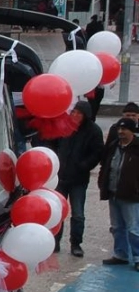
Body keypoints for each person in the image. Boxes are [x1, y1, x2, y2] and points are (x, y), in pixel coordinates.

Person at [42, 101, 104, 257]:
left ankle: (76, 243)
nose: (75, 115)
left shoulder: (94, 131)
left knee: (78, 213)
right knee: (57, 211)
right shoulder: (64, 127)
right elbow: (51, 142)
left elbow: (97, 153)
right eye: (73, 112)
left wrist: (83, 166)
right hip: (60, 176)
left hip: (79, 179)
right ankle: (55, 241)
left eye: (79, 113)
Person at [99, 118, 139, 268]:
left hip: (131, 196)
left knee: (133, 228)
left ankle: (137, 257)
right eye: (119, 129)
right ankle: (120, 254)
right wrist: (103, 183)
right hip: (114, 193)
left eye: (124, 129)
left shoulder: (137, 148)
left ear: (132, 131)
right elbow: (105, 165)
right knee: (117, 227)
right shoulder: (113, 146)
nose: (121, 132)